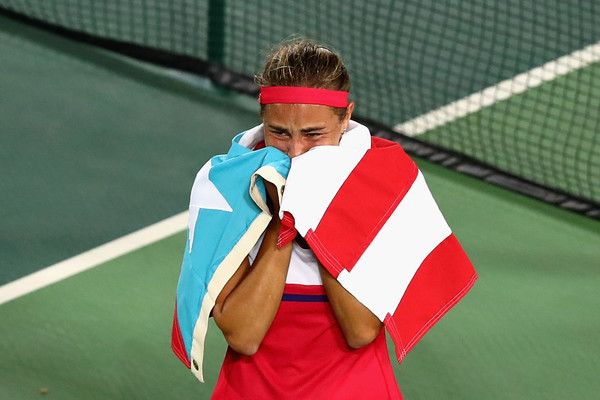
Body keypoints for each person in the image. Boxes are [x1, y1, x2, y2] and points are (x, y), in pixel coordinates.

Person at [172, 40, 477, 400]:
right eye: (280, 132)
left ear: (345, 117)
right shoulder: (223, 185)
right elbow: (244, 336)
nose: (297, 151)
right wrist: (283, 223)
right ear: (262, 118)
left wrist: (319, 207)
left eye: (314, 134)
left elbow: (360, 330)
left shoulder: (384, 180)